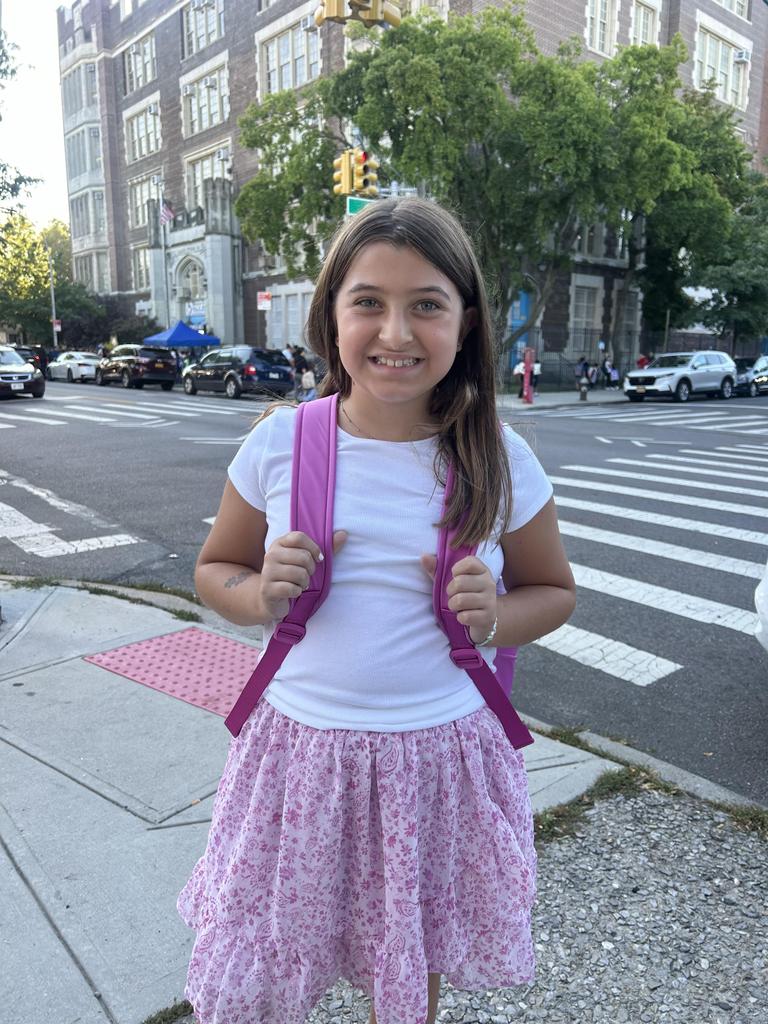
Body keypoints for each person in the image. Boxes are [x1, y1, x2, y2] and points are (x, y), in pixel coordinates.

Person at [177, 198, 576, 1024]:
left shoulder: (499, 458)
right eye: (369, 302)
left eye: (427, 304)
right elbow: (214, 570)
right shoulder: (281, 443)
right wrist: (258, 593)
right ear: (332, 315)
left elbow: (554, 591)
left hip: (438, 762)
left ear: (466, 323)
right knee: (273, 951)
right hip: (300, 757)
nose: (396, 331)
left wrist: (494, 616)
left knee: (406, 951)